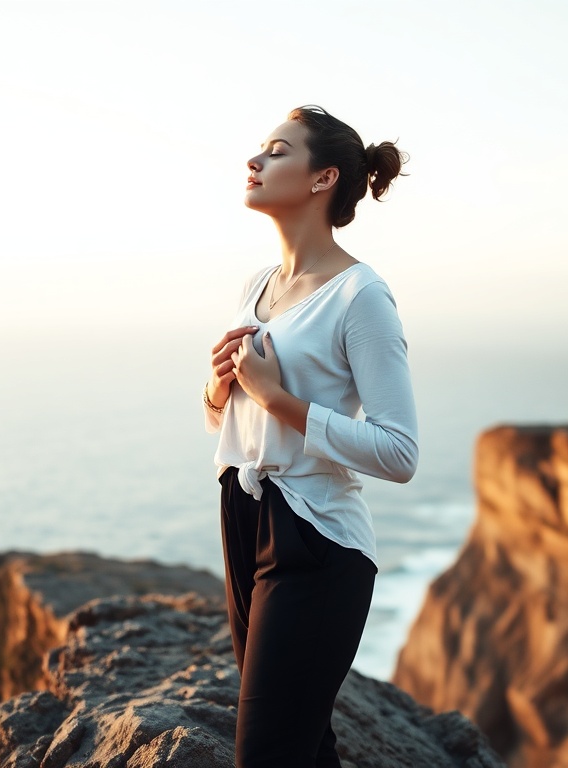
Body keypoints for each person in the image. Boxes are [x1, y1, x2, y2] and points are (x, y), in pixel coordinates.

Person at [202, 105, 420, 768]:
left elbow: (399, 452)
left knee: (266, 754)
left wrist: (277, 398)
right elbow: (234, 424)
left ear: (324, 178)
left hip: (318, 538)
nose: (255, 161)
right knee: (299, 746)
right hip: (244, 513)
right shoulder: (257, 285)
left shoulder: (362, 296)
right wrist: (219, 391)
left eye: (276, 151)